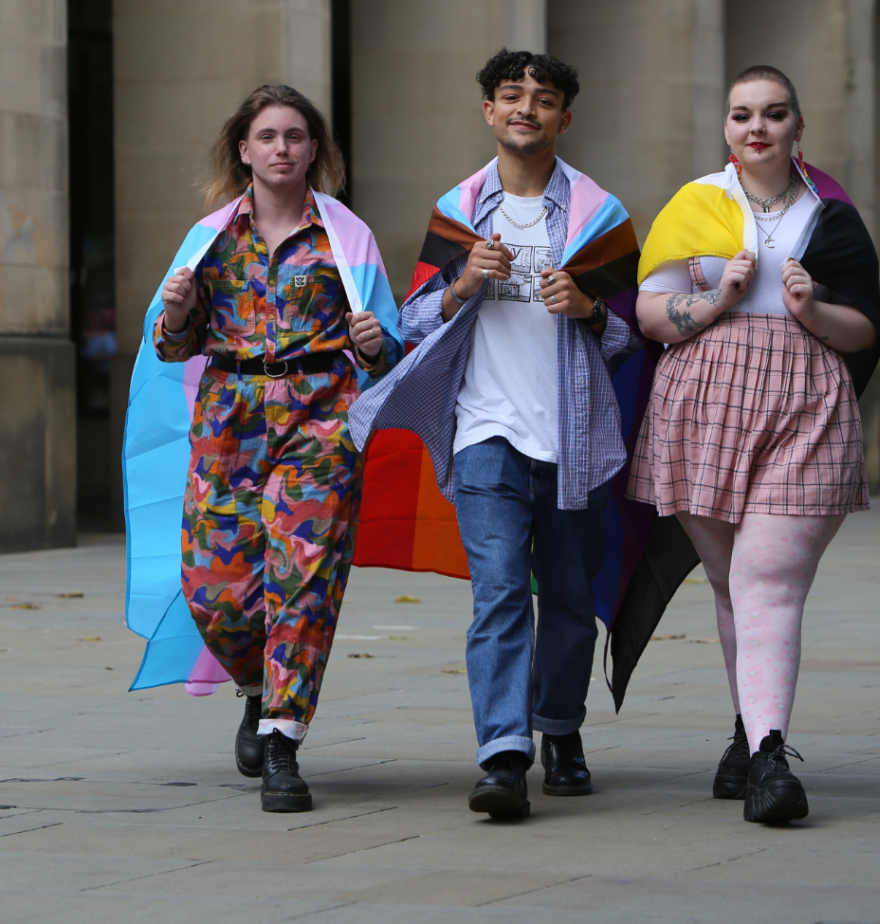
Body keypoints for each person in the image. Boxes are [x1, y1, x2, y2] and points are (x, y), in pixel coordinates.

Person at [349, 49, 643, 819]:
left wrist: (585, 308)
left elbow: (628, 334)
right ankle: (505, 755)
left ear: (564, 119)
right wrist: (463, 285)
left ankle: (561, 729)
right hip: (485, 433)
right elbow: (411, 323)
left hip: (575, 436)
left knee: (572, 601)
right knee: (503, 591)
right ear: (488, 110)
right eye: (512, 96)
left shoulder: (600, 216)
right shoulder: (458, 209)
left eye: (543, 99)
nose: (526, 109)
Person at [628, 65, 880, 824]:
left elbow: (865, 329)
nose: (757, 128)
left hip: (805, 403)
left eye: (774, 114)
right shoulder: (696, 202)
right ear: (726, 128)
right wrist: (717, 298)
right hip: (702, 402)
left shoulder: (832, 216)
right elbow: (648, 314)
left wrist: (810, 311)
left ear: (798, 127)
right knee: (730, 582)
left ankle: (770, 757)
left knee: (767, 575)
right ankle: (748, 728)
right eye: (743, 115)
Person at [152, 84, 402, 812]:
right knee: (213, 587)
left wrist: (375, 344)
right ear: (244, 150)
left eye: (296, 136)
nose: (283, 148)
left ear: (314, 150)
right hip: (228, 420)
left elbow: (391, 354)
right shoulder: (211, 237)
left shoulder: (345, 237)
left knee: (304, 578)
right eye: (268, 136)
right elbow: (175, 347)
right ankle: (257, 685)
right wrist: (174, 314)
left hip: (321, 420)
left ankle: (283, 742)